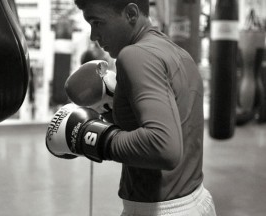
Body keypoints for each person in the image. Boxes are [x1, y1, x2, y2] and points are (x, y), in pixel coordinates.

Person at [53, 0, 217, 215]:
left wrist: (92, 138)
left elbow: (163, 146)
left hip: (159, 209)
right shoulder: (179, 54)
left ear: (131, 13)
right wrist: (110, 106)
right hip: (196, 200)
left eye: (98, 22)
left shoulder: (134, 56)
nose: (93, 35)